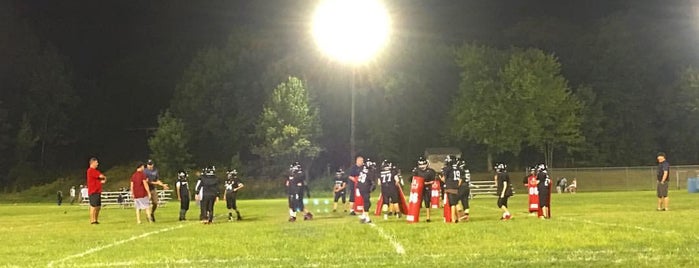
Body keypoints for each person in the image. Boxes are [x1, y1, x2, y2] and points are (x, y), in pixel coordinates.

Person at [413, 156, 437, 222]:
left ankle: (428, 217)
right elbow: (413, 179)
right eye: (420, 165)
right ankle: (415, 215)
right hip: (418, 188)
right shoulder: (416, 170)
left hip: (427, 188)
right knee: (416, 202)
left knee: (427, 202)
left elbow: (433, 181)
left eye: (423, 164)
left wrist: (426, 183)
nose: (422, 166)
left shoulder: (431, 171)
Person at [441, 155, 463, 223]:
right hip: (456, 187)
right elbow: (460, 180)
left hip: (450, 187)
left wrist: (440, 178)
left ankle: (453, 218)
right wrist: (457, 186)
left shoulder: (447, 168)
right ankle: (459, 217)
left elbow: (444, 179)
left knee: (452, 204)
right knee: (456, 203)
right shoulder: (459, 168)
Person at [86, 157, 107, 224]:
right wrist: (104, 177)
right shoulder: (91, 170)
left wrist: (102, 181)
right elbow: (101, 176)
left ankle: (96, 219)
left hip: (97, 191)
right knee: (93, 206)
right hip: (93, 191)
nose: (97, 164)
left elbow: (99, 179)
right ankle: (92, 220)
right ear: (92, 163)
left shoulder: (95, 171)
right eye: (96, 162)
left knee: (98, 206)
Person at [456, 157, 471, 222]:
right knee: (465, 202)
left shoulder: (460, 170)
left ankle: (462, 215)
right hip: (467, 187)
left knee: (455, 200)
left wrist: (457, 186)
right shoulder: (467, 170)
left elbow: (460, 179)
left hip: (462, 187)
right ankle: (467, 217)